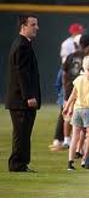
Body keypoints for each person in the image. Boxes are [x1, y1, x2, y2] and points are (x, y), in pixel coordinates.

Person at [5, 14, 41, 172]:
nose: (36, 28)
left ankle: (21, 163)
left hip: (21, 99)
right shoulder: (21, 45)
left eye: (36, 25)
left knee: (23, 133)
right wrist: (29, 96)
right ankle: (17, 164)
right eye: (33, 25)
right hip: (21, 100)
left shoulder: (24, 44)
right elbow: (22, 73)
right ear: (23, 26)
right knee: (21, 133)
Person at [63, 55, 89, 171]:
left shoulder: (78, 80)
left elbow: (73, 94)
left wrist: (67, 106)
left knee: (75, 136)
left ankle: (70, 163)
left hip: (77, 110)